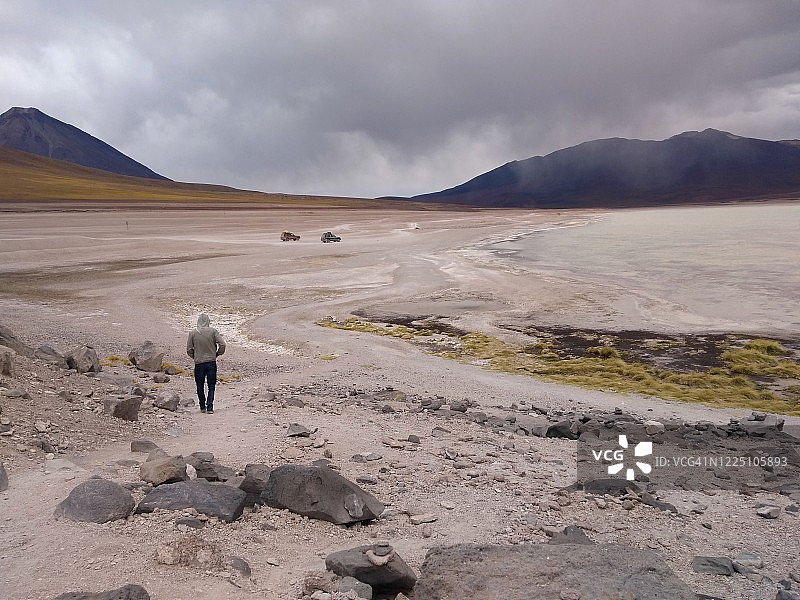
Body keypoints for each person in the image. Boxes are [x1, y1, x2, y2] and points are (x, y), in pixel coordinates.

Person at [186, 313, 226, 413]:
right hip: (211, 362)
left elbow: (189, 349)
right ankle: (210, 407)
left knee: (199, 385)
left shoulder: (193, 333)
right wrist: (217, 353)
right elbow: (222, 344)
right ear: (208, 321)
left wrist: (195, 357)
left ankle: (202, 406)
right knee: (211, 385)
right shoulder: (213, 331)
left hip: (199, 363)